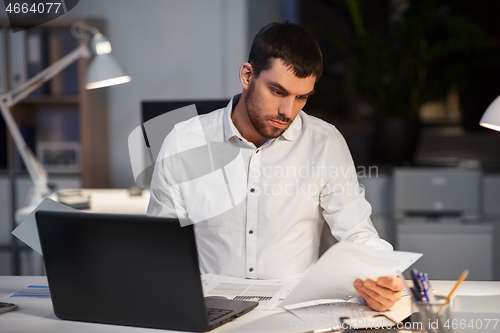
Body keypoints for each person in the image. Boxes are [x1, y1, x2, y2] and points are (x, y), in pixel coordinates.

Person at [147, 21, 403, 312]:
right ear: (247, 76)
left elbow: (357, 232)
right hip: (206, 309)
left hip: (293, 311)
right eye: (278, 91)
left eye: (301, 97)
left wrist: (382, 276)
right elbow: (160, 245)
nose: (288, 111)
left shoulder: (324, 143)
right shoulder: (185, 141)